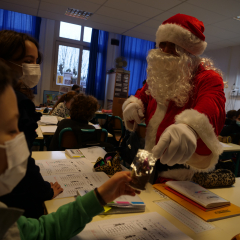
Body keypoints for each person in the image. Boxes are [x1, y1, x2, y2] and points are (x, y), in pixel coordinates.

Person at [0, 63, 140, 239]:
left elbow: (40, 232)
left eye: (16, 129)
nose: (19, 139)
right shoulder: (101, 131)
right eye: (12, 129)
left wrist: (100, 196)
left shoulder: (7, 220)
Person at [122, 14, 226, 182]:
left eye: (174, 45)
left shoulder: (207, 77)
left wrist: (190, 127)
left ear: (190, 50)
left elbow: (213, 104)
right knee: (135, 191)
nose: (166, 50)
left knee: (162, 206)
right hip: (146, 154)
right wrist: (135, 104)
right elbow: (144, 93)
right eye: (162, 44)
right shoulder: (160, 75)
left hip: (178, 164)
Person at [0, 30, 62, 218]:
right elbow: (22, 160)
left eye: (36, 61)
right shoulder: (15, 100)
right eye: (27, 61)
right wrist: (46, 191)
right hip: (15, 200)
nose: (33, 67)